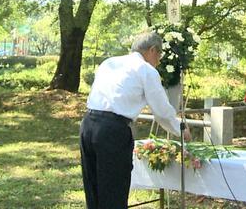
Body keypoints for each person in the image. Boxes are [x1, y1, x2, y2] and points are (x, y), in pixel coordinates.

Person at [80, 31, 191, 209]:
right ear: (153, 50)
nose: (160, 59)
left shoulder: (110, 62)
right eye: (160, 54)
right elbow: (161, 111)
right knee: (114, 188)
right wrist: (180, 128)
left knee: (93, 185)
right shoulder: (146, 70)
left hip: (88, 124)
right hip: (112, 130)